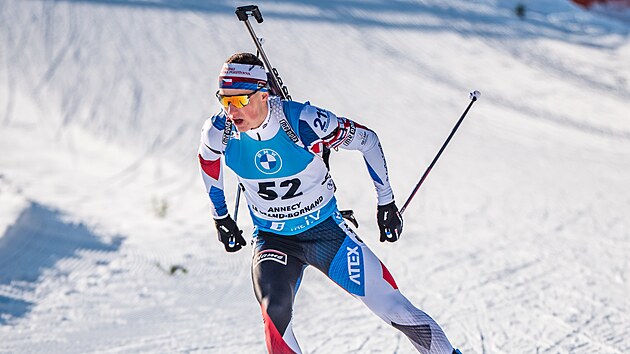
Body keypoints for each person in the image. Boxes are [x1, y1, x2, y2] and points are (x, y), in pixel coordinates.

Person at [198, 52, 460, 354]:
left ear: (264, 94)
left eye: (240, 100)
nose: (231, 110)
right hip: (273, 238)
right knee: (274, 311)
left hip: (326, 233)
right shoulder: (219, 131)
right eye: (224, 100)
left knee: (396, 309)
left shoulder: (302, 122)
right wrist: (221, 217)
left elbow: (368, 141)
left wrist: (385, 202)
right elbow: (207, 162)